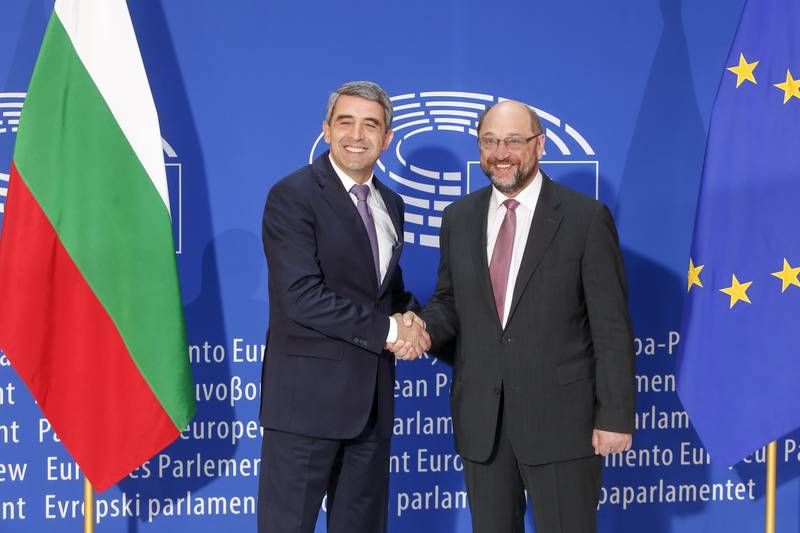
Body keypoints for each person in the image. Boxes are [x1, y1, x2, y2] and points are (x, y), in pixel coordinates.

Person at [416, 100, 635, 532]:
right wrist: (420, 329)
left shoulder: (585, 219)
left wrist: (614, 416)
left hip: (563, 424)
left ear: (540, 145)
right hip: (484, 424)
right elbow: (449, 303)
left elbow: (610, 327)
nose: (501, 153)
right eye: (490, 141)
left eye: (514, 141)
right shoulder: (458, 218)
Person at [258, 80, 429, 533]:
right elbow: (302, 297)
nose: (358, 134)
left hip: (371, 407)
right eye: (345, 122)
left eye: (370, 124)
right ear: (327, 131)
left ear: (387, 137)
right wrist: (393, 333)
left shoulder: (391, 203)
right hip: (305, 408)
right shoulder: (293, 196)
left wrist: (415, 319)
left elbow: (384, 292)